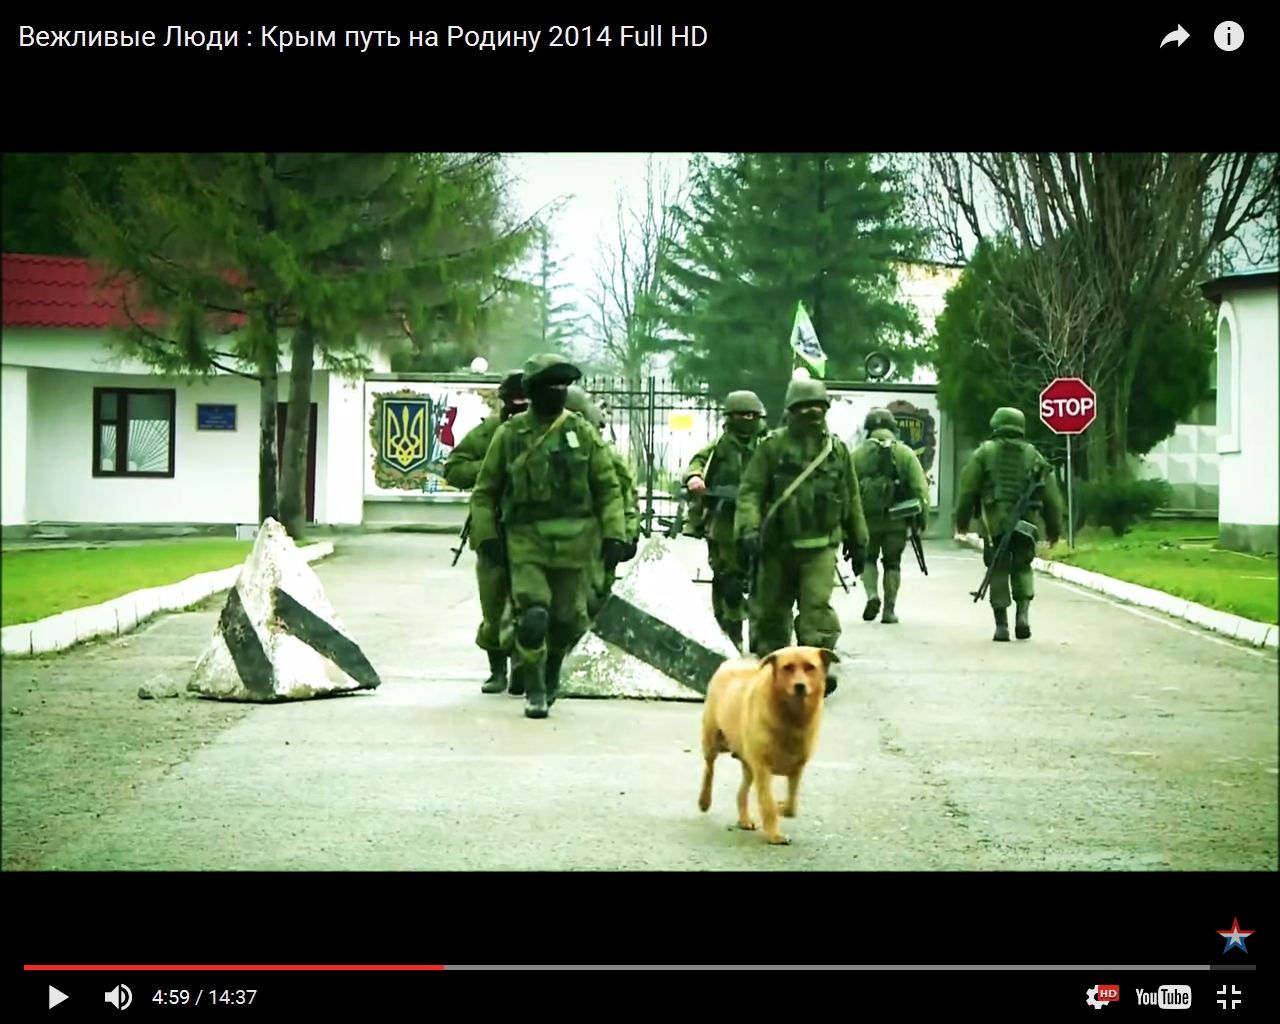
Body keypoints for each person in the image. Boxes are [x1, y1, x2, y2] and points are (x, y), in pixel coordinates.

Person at [469, 353, 628, 719]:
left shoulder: (581, 433)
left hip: (575, 543)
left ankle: (553, 667)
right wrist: (487, 536)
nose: (557, 392)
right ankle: (535, 686)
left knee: (566, 621)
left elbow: (607, 487)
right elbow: (485, 491)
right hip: (526, 541)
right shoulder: (510, 435)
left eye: (562, 386)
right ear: (533, 390)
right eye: (549, 385)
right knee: (533, 614)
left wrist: (614, 535)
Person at [735, 377, 869, 695]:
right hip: (777, 546)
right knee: (772, 613)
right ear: (791, 410)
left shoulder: (836, 451)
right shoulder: (772, 448)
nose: (811, 412)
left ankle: (815, 670)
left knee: (816, 611)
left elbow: (851, 497)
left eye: (817, 406)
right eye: (804, 407)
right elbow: (750, 491)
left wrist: (859, 540)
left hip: (820, 546)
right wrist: (748, 528)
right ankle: (775, 671)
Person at [443, 370, 528, 695]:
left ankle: (524, 666)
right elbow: (454, 469)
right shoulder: (489, 432)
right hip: (491, 531)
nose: (518, 410)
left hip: (533, 535)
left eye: (524, 403)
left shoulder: (544, 432)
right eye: (513, 403)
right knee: (494, 607)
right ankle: (497, 670)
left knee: (529, 605)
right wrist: (490, 466)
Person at [954, 406, 1065, 642]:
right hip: (1026, 523)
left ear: (996, 425)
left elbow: (967, 490)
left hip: (993, 523)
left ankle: (1001, 625)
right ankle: (1022, 616)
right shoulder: (1033, 455)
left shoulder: (984, 453)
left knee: (998, 568)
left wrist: (962, 520)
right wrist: (1054, 529)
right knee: (1023, 566)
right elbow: (1051, 496)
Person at [681, 390, 769, 651]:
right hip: (724, 522)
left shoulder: (767, 445)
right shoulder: (720, 445)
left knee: (763, 582)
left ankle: (760, 637)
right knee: (728, 581)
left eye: (752, 415)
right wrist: (694, 477)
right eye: (742, 415)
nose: (748, 419)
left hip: (760, 520)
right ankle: (731, 635)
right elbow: (697, 462)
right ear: (730, 417)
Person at [564, 384, 640, 616]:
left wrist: (627, 535)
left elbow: (625, 497)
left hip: (594, 543)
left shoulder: (603, 454)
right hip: (553, 545)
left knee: (591, 604)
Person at [852, 407, 931, 624]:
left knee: (868, 559)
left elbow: (847, 489)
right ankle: (889, 610)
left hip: (867, 520)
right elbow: (920, 489)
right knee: (892, 562)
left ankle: (872, 595)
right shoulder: (905, 453)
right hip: (897, 520)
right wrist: (922, 520)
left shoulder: (857, 455)